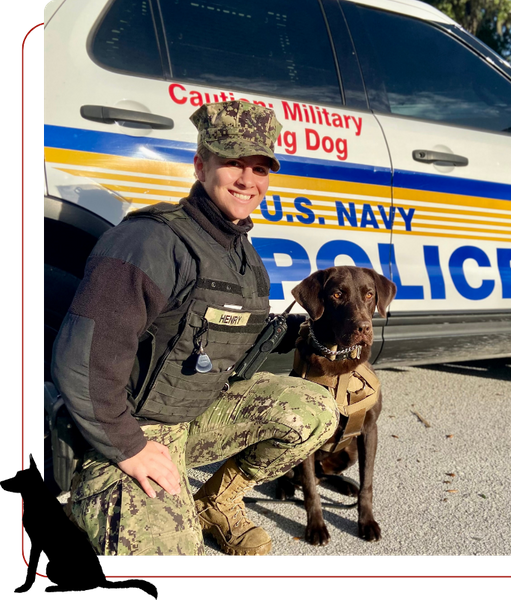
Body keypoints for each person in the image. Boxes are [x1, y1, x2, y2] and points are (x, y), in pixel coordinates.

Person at [51, 100, 339, 559]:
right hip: (128, 429)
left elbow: (232, 346)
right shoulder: (151, 241)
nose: (248, 181)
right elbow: (83, 360)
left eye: (260, 168)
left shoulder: (242, 255)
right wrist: (128, 447)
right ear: (200, 165)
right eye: (233, 163)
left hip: (193, 413)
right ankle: (96, 497)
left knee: (316, 409)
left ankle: (215, 502)